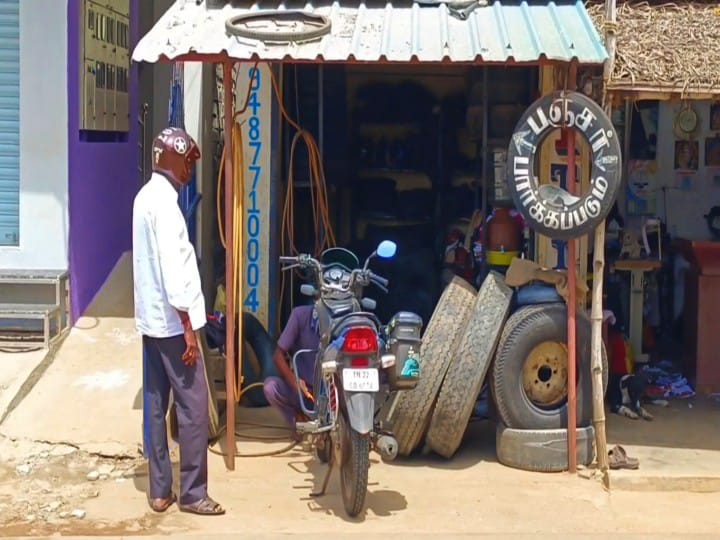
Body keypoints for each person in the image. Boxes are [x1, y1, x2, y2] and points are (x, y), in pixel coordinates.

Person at [133, 127, 224, 515]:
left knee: (155, 405)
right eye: (187, 161)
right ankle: (192, 493)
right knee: (193, 407)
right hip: (173, 324)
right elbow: (174, 272)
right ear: (173, 159)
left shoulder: (144, 198)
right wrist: (188, 328)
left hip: (151, 323)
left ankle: (159, 491)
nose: (190, 169)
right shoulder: (167, 207)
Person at [263, 305, 320, 437]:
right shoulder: (300, 316)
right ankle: (297, 419)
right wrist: (295, 382)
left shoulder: (347, 319)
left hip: (332, 398)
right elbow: (278, 356)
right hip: (305, 394)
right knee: (270, 387)